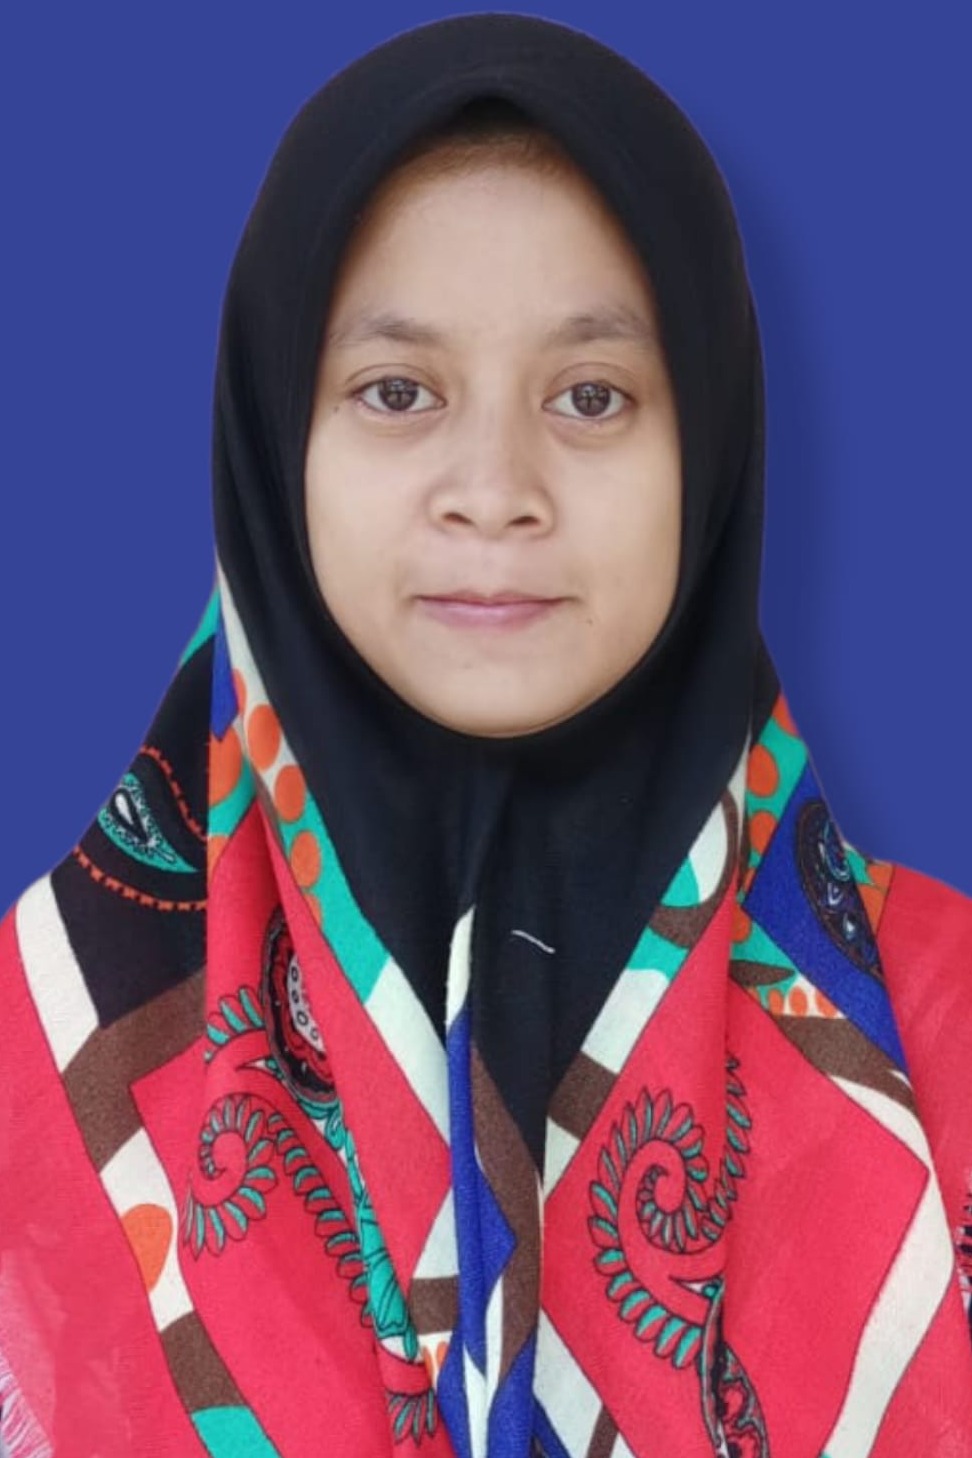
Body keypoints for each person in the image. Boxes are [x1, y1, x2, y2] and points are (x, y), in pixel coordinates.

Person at [1, 12, 970, 1457]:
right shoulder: (33, 1063)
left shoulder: (953, 1022)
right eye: (398, 393)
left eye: (592, 397)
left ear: (712, 448)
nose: (496, 486)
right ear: (274, 445)